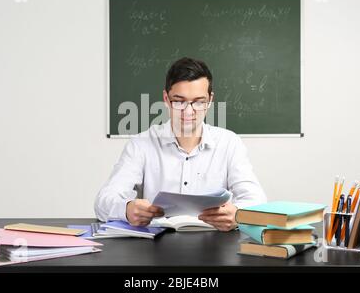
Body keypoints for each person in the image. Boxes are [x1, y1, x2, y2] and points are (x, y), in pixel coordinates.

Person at [95, 57, 266, 231]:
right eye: (179, 101)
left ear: (210, 100)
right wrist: (127, 209)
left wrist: (237, 214)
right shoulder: (141, 144)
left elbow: (257, 201)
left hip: (215, 247)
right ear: (166, 99)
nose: (189, 111)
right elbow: (103, 201)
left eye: (199, 102)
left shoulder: (230, 143)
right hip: (156, 248)